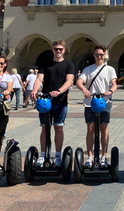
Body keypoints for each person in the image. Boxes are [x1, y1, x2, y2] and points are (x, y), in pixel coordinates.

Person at [30, 39, 75, 168]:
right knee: (45, 127)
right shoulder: (46, 64)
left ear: (64, 50)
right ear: (53, 50)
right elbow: (39, 79)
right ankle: (43, 154)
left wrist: (59, 91)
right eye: (56, 49)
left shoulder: (68, 64)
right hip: (45, 101)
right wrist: (34, 90)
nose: (58, 51)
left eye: (60, 49)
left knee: (59, 127)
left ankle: (57, 155)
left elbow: (69, 81)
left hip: (60, 101)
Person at [76, 45, 118, 168]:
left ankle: (104, 156)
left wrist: (110, 91)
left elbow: (114, 84)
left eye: (101, 54)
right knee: (90, 128)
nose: (99, 56)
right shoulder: (88, 69)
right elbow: (79, 82)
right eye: (97, 54)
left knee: (103, 128)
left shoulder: (109, 69)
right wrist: (84, 89)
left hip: (105, 102)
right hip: (90, 102)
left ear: (104, 55)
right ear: (94, 55)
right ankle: (89, 156)